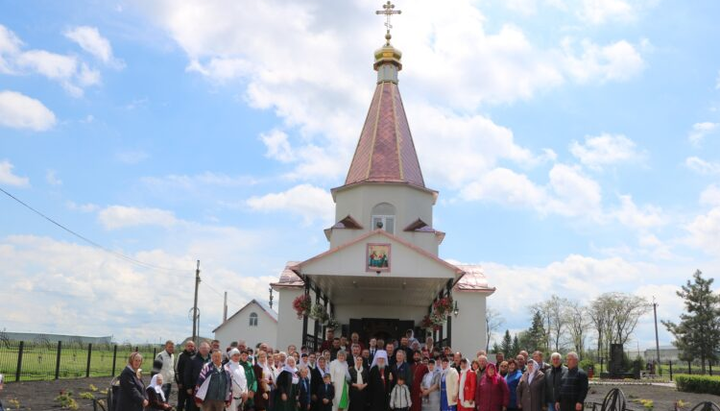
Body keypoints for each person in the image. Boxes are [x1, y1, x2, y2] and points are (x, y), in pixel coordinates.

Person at [186, 342, 212, 411]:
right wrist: (188, 387)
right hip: (195, 388)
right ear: (199, 349)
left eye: (206, 348)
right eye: (202, 348)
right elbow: (187, 374)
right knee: (195, 407)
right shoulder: (192, 359)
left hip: (209, 389)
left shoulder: (212, 360)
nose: (204, 350)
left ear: (209, 349)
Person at [177, 341, 197, 411]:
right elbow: (177, 369)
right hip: (182, 384)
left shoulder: (196, 356)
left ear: (194, 347)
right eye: (189, 346)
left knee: (190, 404)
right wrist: (179, 382)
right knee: (181, 403)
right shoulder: (181, 355)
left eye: (192, 346)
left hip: (191, 385)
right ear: (185, 347)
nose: (190, 347)